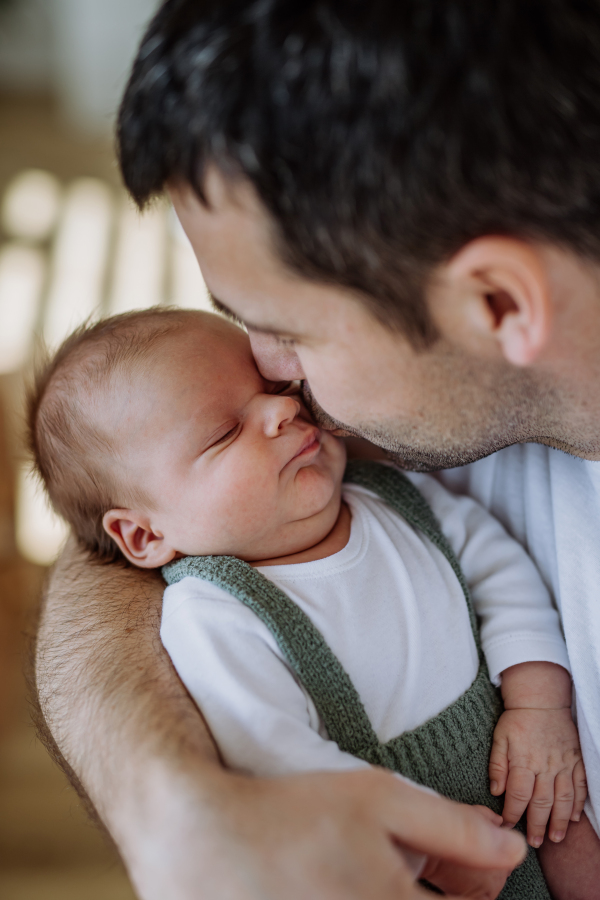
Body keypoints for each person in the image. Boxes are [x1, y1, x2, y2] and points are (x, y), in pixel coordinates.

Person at [34, 1, 600, 898]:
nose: (269, 376)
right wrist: (174, 809)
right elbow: (120, 535)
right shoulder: (407, 402)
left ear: (497, 303)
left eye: (282, 330)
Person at [29, 307, 584, 898]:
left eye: (274, 389)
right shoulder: (214, 613)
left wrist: (540, 706)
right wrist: (428, 841)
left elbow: (503, 578)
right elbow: (276, 755)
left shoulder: (395, 498)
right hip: (405, 850)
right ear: (144, 536)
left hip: (530, 771)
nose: (283, 409)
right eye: (223, 432)